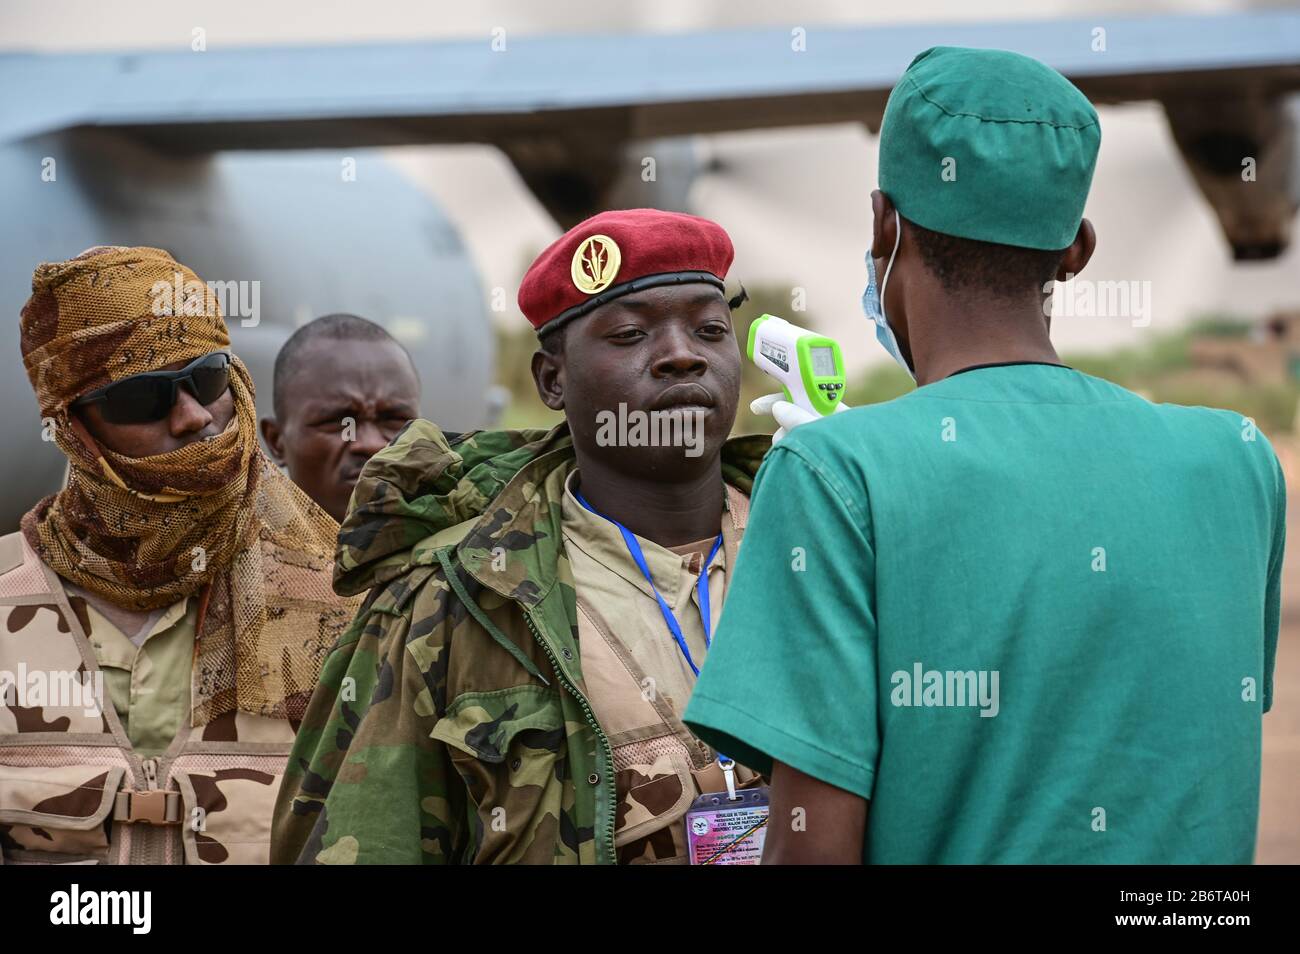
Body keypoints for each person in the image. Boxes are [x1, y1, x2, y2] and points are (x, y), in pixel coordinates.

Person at [684, 46, 1285, 864]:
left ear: (883, 225)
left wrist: (864, 469)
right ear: (1077, 249)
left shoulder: (833, 476)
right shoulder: (1238, 461)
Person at [273, 209, 771, 864]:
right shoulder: (458, 598)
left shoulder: (823, 547)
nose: (682, 354)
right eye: (629, 334)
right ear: (551, 380)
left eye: (710, 329)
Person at [0, 246, 358, 865]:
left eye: (209, 378)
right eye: (142, 398)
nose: (194, 417)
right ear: (72, 427)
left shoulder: (335, 596)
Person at [260, 313, 422, 523]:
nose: (371, 444)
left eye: (393, 420)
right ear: (276, 440)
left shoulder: (462, 546)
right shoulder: (231, 548)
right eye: (338, 422)